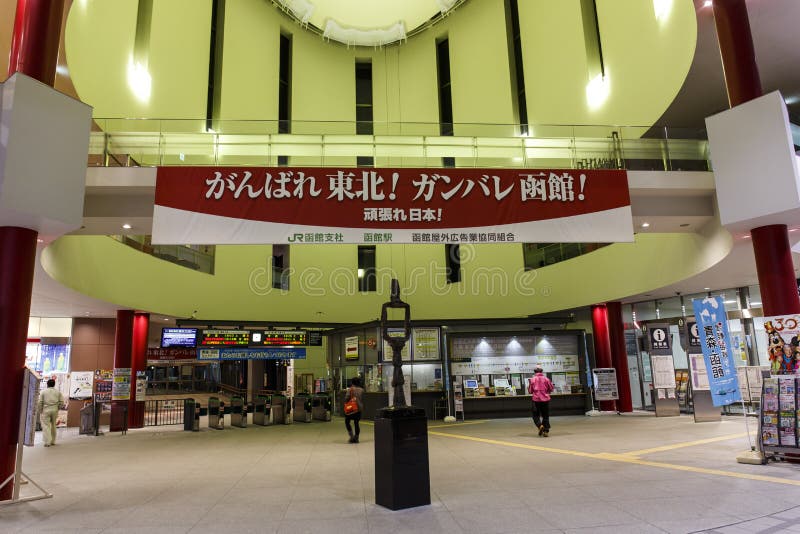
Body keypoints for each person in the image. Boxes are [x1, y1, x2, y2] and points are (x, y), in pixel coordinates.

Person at [528, 367, 554, 437]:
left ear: (535, 372)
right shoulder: (546, 379)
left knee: (535, 415)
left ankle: (540, 426)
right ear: (542, 372)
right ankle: (546, 431)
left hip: (536, 400)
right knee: (545, 415)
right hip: (545, 399)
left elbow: (530, 391)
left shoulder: (532, 379)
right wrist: (546, 391)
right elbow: (551, 388)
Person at [38, 378, 65, 447]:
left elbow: (40, 402)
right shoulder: (58, 392)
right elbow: (62, 402)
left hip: (45, 410)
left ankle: (47, 442)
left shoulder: (43, 392)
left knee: (46, 426)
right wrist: (58, 408)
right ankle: (53, 441)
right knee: (53, 425)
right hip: (55, 410)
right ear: (54, 384)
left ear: (47, 384)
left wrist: (40, 410)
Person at [344, 377, 364, 443]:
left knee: (347, 422)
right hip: (358, 409)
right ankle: (356, 438)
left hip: (351, 409)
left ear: (352, 382)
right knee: (356, 423)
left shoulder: (350, 390)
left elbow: (346, 398)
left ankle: (351, 436)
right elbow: (363, 399)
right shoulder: (362, 390)